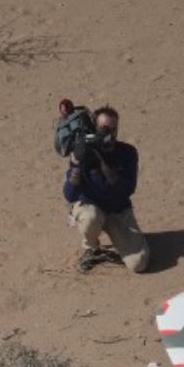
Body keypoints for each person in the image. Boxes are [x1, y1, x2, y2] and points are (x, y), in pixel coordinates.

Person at [63, 105, 148, 274]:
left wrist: (102, 161)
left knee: (138, 264)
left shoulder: (127, 152)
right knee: (91, 217)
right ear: (94, 128)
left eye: (113, 129)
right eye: (103, 129)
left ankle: (130, 239)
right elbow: (69, 194)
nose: (109, 134)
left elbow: (127, 189)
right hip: (91, 207)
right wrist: (77, 165)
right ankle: (92, 248)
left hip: (118, 210)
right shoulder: (83, 152)